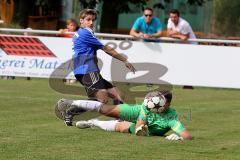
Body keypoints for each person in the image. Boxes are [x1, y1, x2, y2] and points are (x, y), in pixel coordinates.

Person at [55, 90, 192, 140]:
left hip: (147, 131)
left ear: (167, 104)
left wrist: (179, 137)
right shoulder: (147, 105)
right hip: (137, 112)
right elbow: (140, 123)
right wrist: (140, 126)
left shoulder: (170, 117)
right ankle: (71, 102)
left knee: (120, 127)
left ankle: (93, 123)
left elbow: (187, 135)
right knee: (107, 110)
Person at [72, 9, 136, 108]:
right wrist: (124, 60)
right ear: (81, 20)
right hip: (87, 70)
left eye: (93, 20)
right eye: (88, 20)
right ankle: (71, 107)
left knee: (119, 95)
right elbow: (106, 49)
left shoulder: (81, 32)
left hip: (89, 70)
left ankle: (120, 119)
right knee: (102, 99)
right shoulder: (85, 33)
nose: (91, 22)